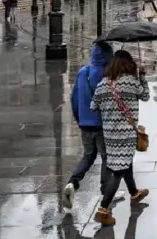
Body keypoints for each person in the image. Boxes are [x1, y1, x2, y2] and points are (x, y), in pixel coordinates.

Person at [90, 50, 151, 226]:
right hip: (126, 134)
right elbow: (145, 96)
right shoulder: (131, 82)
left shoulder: (103, 84)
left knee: (124, 163)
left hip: (109, 135)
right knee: (118, 171)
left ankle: (134, 193)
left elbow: (93, 106)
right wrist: (143, 77)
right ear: (128, 64)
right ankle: (103, 209)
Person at [62, 41, 116, 210]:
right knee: (107, 157)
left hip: (85, 123)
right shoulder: (107, 75)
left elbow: (74, 98)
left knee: (88, 156)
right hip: (101, 124)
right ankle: (106, 191)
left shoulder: (83, 72)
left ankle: (73, 182)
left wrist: (80, 119)